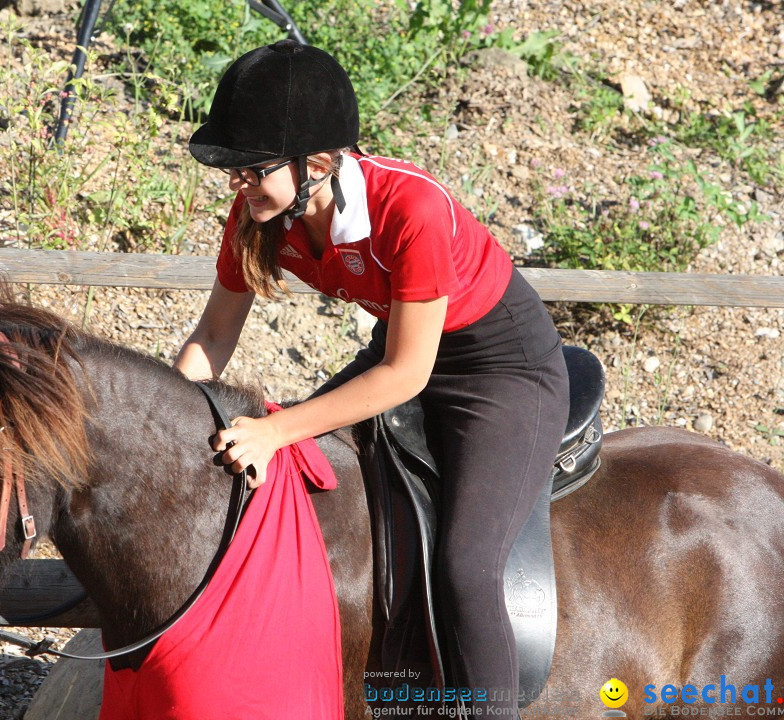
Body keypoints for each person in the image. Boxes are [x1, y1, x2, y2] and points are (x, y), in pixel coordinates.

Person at [173, 39, 569, 716]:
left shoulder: (410, 208)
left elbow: (406, 375)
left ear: (318, 165)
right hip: (404, 346)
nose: (237, 186)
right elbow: (213, 337)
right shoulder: (261, 211)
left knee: (467, 568)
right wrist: (170, 420)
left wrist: (274, 430)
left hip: (500, 369)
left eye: (251, 170)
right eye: (232, 172)